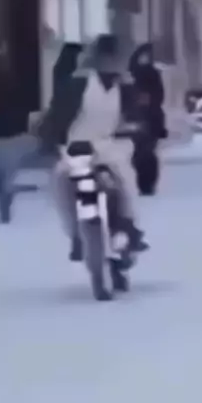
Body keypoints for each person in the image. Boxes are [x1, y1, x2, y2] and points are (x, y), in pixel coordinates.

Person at [41, 35, 148, 260]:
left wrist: (137, 129)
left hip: (109, 146)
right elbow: (56, 116)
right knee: (61, 185)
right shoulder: (77, 85)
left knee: (127, 179)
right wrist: (50, 140)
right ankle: (76, 235)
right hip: (77, 147)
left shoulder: (125, 86)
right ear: (98, 58)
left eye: (117, 59)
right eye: (108, 58)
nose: (113, 64)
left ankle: (128, 224)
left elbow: (136, 117)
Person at [0, 40, 36, 223]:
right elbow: (19, 104)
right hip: (8, 135)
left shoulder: (6, 76)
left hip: (1, 133)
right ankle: (4, 209)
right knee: (5, 175)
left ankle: (2, 203)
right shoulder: (8, 75)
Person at [128, 43, 167, 195]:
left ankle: (146, 183)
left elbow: (159, 97)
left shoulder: (146, 75)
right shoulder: (144, 74)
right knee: (144, 153)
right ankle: (146, 183)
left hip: (148, 120)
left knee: (144, 153)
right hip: (147, 119)